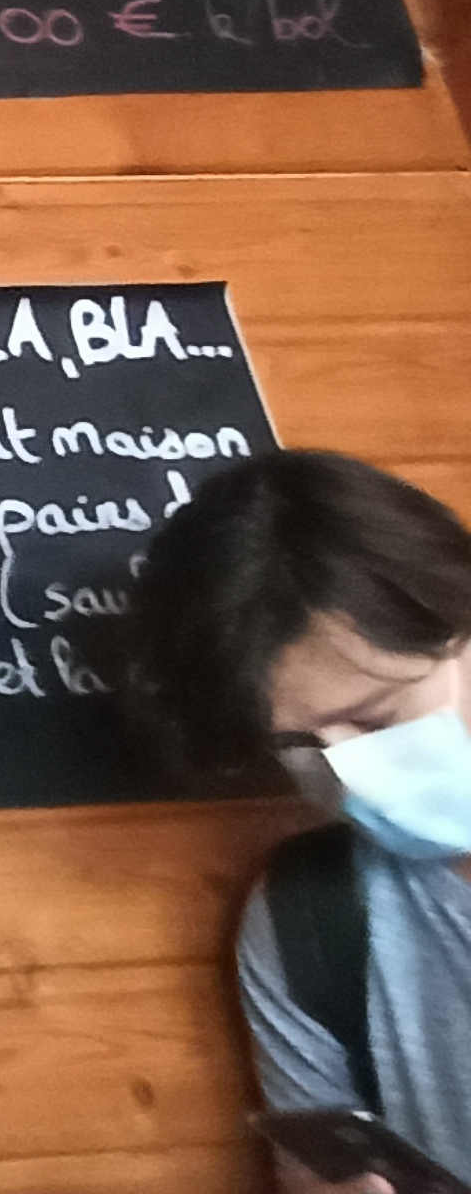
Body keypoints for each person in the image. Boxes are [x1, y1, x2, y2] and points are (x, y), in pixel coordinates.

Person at [127, 450, 471, 1194]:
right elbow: (314, 1170)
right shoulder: (309, 918)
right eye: (299, 745)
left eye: (374, 719)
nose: (346, 770)